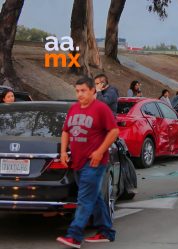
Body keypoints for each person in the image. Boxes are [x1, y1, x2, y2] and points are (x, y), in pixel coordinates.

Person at [56, 77, 119, 248]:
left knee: (84, 198)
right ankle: (106, 231)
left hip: (94, 163)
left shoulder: (101, 108)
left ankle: (74, 235)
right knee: (95, 197)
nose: (79, 94)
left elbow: (114, 131)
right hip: (77, 161)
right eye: (77, 91)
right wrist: (63, 151)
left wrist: (100, 151)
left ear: (93, 90)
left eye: (83, 90)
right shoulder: (74, 108)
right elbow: (65, 131)